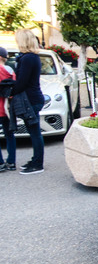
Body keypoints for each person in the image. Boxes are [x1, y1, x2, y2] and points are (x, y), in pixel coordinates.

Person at [13, 29, 46, 175]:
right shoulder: (31, 57)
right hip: (33, 98)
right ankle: (35, 160)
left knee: (35, 132)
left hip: (30, 100)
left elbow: (22, 82)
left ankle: (38, 164)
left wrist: (9, 92)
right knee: (34, 132)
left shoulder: (27, 58)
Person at [0, 46, 16, 172]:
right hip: (8, 108)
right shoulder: (10, 70)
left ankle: (0, 163)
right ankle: (11, 162)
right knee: (9, 135)